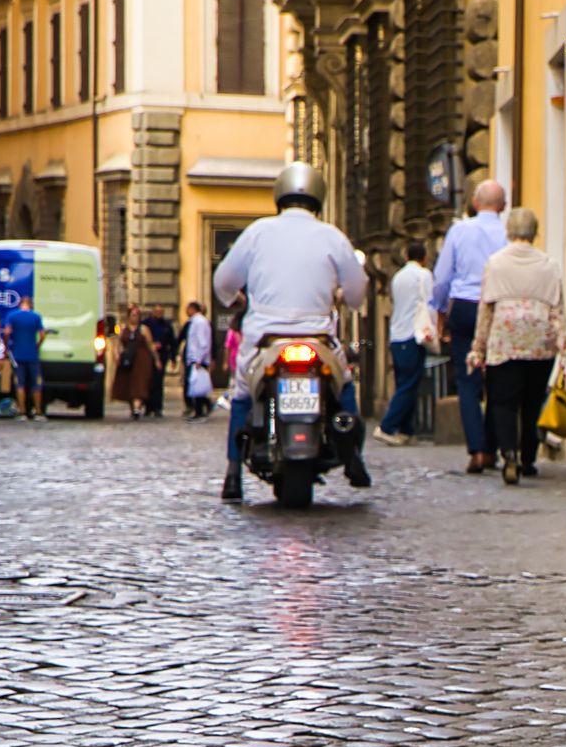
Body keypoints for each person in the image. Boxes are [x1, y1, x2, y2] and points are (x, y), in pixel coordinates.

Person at [212, 161, 368, 501]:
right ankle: (354, 455)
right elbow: (358, 292)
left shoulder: (257, 233)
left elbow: (222, 281)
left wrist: (236, 299)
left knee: (241, 394)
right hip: (319, 339)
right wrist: (341, 297)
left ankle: (233, 473)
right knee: (344, 386)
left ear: (279, 197)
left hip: (265, 340)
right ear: (318, 198)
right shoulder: (332, 236)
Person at [466, 208, 566, 486]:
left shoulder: (495, 263)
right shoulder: (549, 264)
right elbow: (557, 308)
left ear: (509, 230)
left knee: (502, 400)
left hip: (505, 338)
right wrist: (564, 346)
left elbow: (486, 309)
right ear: (534, 231)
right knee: (532, 400)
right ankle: (528, 458)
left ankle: (508, 454)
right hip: (540, 338)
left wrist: (478, 347)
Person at [430, 180, 512, 473]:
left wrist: (439, 310)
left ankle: (477, 450)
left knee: (467, 381)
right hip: (499, 306)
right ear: (502, 206)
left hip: (465, 306)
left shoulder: (459, 230)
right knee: (497, 380)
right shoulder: (508, 233)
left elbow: (441, 278)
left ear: (476, 203)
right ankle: (492, 449)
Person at [377, 241, 433, 445]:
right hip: (413, 334)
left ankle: (406, 430)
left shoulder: (398, 277)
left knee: (403, 382)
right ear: (424, 257)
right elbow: (430, 302)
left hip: (396, 335)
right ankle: (387, 426)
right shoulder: (423, 275)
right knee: (409, 384)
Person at [3, 294, 47, 420]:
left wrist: (6, 347)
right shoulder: (36, 317)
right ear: (31, 305)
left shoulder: (12, 316)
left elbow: (6, 332)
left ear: (20, 304)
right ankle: (38, 412)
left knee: (20, 383)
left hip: (17, 354)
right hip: (32, 354)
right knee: (36, 383)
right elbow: (42, 335)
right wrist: (37, 346)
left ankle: (22, 412)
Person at [110, 305, 159, 418]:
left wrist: (156, 359)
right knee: (128, 383)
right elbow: (118, 344)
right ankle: (133, 406)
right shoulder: (122, 329)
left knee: (140, 384)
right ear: (128, 316)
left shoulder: (144, 329)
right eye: (133, 315)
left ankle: (137, 408)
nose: (135, 317)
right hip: (127, 359)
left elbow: (150, 344)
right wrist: (116, 355)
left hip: (141, 359)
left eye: (137, 315)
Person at [181, 301, 214, 419]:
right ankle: (202, 407)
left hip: (197, 359)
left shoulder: (199, 322)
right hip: (194, 358)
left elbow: (202, 342)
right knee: (195, 385)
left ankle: (199, 410)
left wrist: (199, 359)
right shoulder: (195, 321)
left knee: (197, 386)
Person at [143, 305, 177, 417]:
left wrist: (173, 358)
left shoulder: (167, 325)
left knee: (158, 382)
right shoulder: (146, 323)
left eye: (161, 312)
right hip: (148, 355)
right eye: (157, 312)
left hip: (162, 355)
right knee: (148, 382)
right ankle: (148, 407)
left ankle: (157, 407)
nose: (159, 314)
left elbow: (172, 342)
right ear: (153, 312)